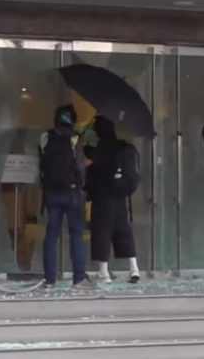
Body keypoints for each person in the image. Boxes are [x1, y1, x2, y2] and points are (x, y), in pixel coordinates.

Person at [39, 104, 93, 288]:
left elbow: (42, 164)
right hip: (72, 193)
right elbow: (79, 167)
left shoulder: (45, 138)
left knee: (51, 234)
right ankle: (78, 278)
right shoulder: (75, 139)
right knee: (76, 234)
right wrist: (81, 181)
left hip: (51, 193)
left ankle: (49, 278)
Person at [85, 115, 141, 284]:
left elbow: (92, 170)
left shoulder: (101, 149)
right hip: (120, 198)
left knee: (102, 232)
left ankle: (104, 272)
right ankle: (134, 269)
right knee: (123, 232)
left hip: (103, 198)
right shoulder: (122, 147)